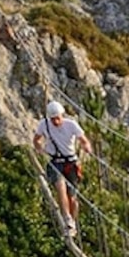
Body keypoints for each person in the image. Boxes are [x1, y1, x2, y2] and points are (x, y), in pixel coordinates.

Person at [36, 97, 88, 234]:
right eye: (53, 119)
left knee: (72, 197)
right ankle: (67, 219)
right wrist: (39, 148)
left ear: (62, 115)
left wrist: (86, 147)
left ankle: (73, 223)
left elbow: (83, 140)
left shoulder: (71, 125)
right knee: (60, 187)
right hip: (54, 162)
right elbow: (36, 139)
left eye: (57, 118)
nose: (56, 121)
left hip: (70, 162)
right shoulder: (44, 124)